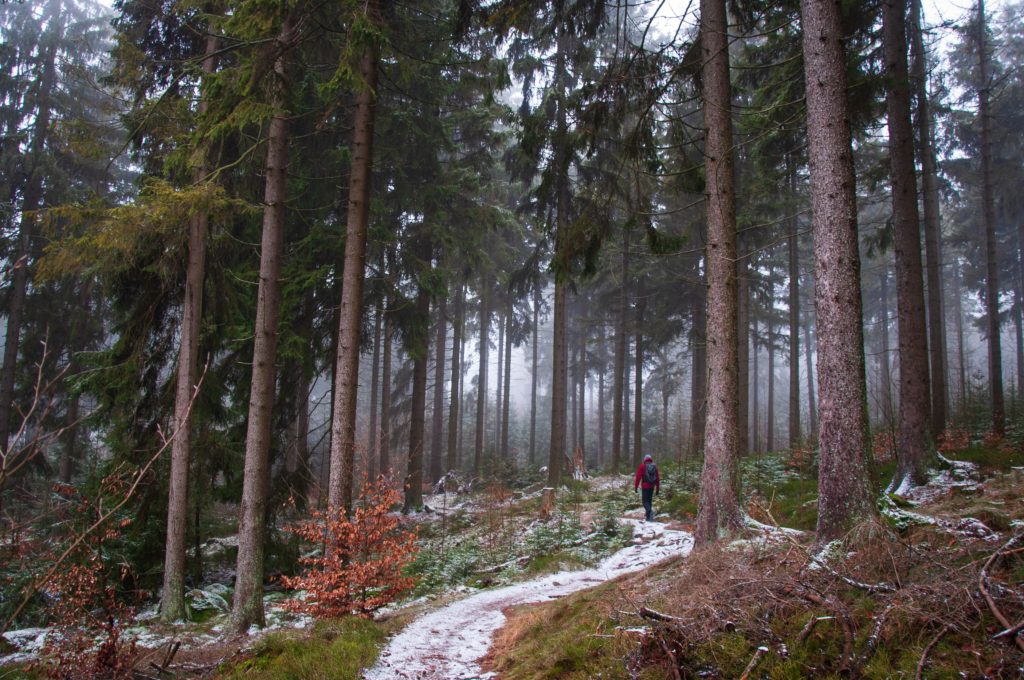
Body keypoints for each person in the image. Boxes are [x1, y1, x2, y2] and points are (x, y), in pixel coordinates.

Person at [633, 454, 660, 521]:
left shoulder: (642, 466)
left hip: (645, 486)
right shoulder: (654, 466)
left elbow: (638, 477)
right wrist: (657, 488)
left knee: (645, 502)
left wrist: (636, 487)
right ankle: (649, 518)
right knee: (649, 501)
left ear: (644, 459)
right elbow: (657, 478)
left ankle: (650, 513)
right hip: (652, 486)